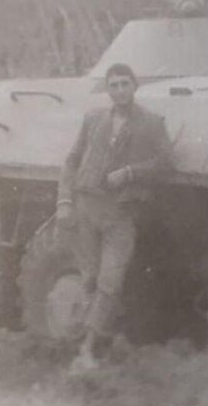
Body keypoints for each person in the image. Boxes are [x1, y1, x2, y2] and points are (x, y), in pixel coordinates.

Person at [56, 63, 173, 370]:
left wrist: (130, 172)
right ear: (107, 89)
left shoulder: (151, 123)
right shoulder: (93, 119)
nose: (120, 90)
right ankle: (91, 339)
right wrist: (64, 201)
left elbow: (166, 161)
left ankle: (88, 349)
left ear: (135, 86)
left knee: (111, 281)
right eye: (114, 85)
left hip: (120, 213)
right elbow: (71, 161)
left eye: (125, 84)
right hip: (86, 207)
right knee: (90, 278)